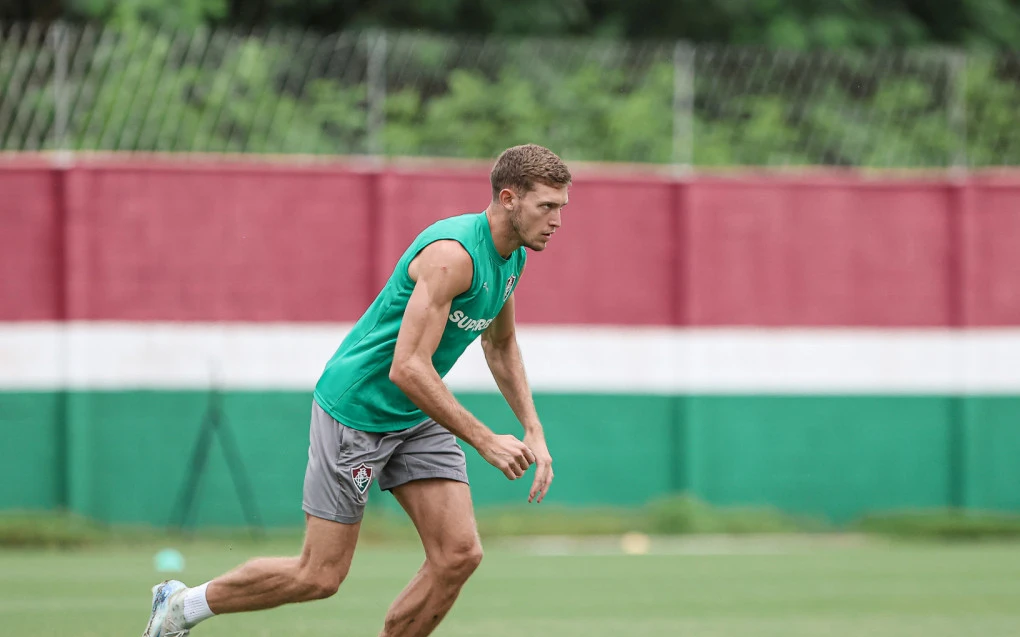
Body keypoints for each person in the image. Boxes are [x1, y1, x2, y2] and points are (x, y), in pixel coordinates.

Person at [142, 143, 572, 637]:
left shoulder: (513, 256)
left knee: (458, 555)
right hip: (359, 412)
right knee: (319, 575)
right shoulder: (452, 257)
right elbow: (406, 367)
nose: (557, 220)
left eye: (562, 207)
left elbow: (501, 343)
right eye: (548, 206)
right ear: (509, 197)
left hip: (414, 413)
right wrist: (485, 439)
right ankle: (179, 607)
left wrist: (532, 429)